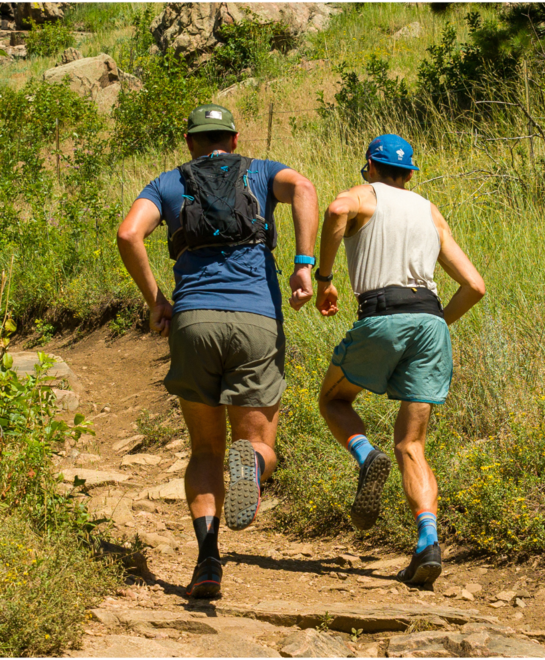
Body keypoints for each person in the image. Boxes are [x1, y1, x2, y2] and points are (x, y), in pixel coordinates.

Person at [117, 104, 318, 598]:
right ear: (233, 138)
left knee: (205, 449)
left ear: (190, 142)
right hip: (256, 321)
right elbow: (307, 190)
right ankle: (249, 467)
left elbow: (128, 234)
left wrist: (156, 300)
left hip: (193, 323)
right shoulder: (264, 171)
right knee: (256, 446)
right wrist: (304, 265)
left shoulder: (167, 182)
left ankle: (208, 562)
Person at [315, 134, 485, 587]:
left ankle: (365, 456)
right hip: (430, 322)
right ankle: (427, 542)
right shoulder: (429, 211)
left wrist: (325, 277)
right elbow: (474, 286)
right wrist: (438, 323)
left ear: (369, 165)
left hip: (383, 314)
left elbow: (334, 212)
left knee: (332, 402)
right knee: (412, 446)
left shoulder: (364, 196)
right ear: (409, 173)